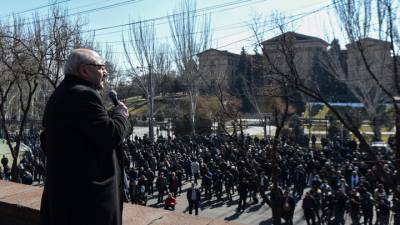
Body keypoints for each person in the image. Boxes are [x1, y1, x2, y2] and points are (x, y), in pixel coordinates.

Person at [39, 48, 129, 225]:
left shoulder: (62, 93)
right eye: (101, 66)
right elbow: (111, 135)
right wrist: (120, 115)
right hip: (86, 205)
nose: (106, 72)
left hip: (66, 200)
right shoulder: (83, 95)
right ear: (84, 70)